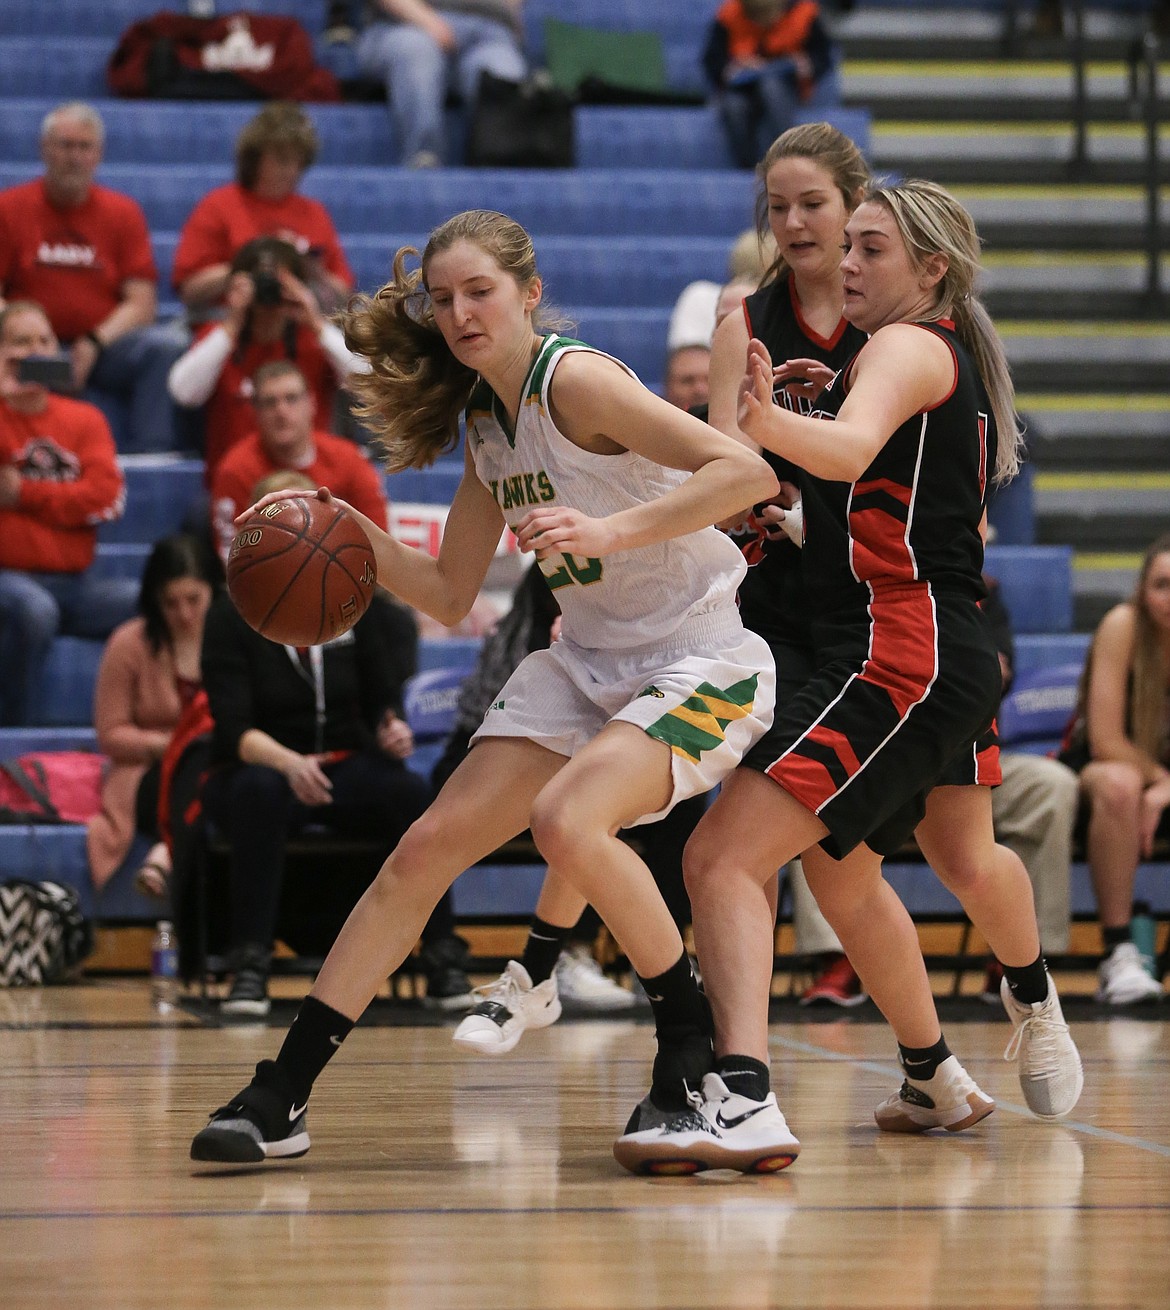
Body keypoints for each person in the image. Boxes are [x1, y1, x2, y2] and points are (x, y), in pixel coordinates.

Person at [189, 207, 777, 1164]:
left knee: (567, 821)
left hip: (699, 655)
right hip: (587, 661)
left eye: (480, 292)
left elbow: (744, 471)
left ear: (529, 295)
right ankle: (280, 1092)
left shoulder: (576, 379)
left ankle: (689, 1054)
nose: (459, 314)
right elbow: (449, 589)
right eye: (443, 298)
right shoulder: (484, 422)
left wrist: (610, 532)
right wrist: (345, 529)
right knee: (421, 852)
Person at [621, 177, 1084, 1175]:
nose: (848, 262)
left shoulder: (908, 344)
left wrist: (762, 423)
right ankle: (932, 1075)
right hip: (888, 642)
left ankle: (1020, 998)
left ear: (931, 270)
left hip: (905, 647)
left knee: (743, 855)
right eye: (850, 247)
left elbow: (850, 446)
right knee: (840, 862)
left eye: (870, 248)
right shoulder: (879, 346)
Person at [198, 585, 448, 1016]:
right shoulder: (231, 616)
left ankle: (444, 951)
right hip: (263, 762)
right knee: (257, 795)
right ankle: (251, 962)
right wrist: (290, 765)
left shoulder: (349, 605)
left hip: (343, 760)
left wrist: (391, 728)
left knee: (409, 793)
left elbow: (381, 697)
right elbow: (232, 726)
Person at [0, 102, 184, 453]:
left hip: (102, 347)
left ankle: (152, 457)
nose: (75, 157)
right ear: (45, 150)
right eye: (65, 145)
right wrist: (32, 337)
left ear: (98, 155)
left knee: (165, 348)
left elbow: (141, 303)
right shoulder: (9, 209)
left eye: (84, 147)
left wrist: (94, 342)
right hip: (26, 346)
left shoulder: (123, 213)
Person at [0, 300, 138, 726]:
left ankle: (141, 730)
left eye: (44, 340)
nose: (37, 350)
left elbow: (107, 499)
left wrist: (25, 494)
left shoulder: (85, 419)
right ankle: (12, 738)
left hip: (76, 584)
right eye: (21, 341)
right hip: (9, 580)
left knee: (151, 600)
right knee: (35, 611)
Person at [1059, 532, 1170, 1005]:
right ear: (1142, 591)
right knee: (1122, 785)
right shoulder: (1122, 626)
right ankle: (1118, 951)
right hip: (1101, 773)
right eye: (1162, 584)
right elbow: (1105, 740)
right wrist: (1162, 780)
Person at [87, 533, 221, 897]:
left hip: (220, 765)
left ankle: (166, 854)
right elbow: (111, 734)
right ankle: (168, 853)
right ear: (154, 600)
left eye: (194, 600)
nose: (185, 614)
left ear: (214, 591)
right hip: (148, 773)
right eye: (171, 603)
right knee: (195, 772)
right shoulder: (128, 644)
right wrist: (174, 746)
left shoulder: (230, 639)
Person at [168, 238, 363, 483]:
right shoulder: (221, 337)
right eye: (261, 282)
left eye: (281, 283)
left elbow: (369, 385)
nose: (269, 291)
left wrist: (317, 323)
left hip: (311, 487)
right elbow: (184, 393)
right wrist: (233, 321)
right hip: (237, 484)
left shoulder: (314, 339)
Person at [171, 102, 353, 317]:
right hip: (227, 320)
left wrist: (314, 271)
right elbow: (190, 291)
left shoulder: (315, 212)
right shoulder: (218, 205)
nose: (293, 171)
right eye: (283, 160)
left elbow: (345, 299)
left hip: (298, 322)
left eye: (300, 163)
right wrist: (249, 264)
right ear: (255, 159)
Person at [209, 360, 389, 563]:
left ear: (312, 403)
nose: (281, 411)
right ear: (254, 411)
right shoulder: (235, 469)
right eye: (270, 402)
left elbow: (378, 543)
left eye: (291, 398)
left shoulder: (349, 459)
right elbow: (232, 557)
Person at [356, 1, 527, 168]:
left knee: (504, 73)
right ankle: (423, 160)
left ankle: (499, 167)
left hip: (488, 33)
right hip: (404, 24)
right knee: (416, 51)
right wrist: (427, 21)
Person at [703, 0, 839, 169]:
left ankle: (786, 156)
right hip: (744, 89)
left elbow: (822, 57)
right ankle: (749, 169)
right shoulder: (729, 14)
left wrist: (806, 65)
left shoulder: (805, 13)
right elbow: (713, 60)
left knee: (771, 88)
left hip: (785, 86)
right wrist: (731, 68)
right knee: (733, 106)